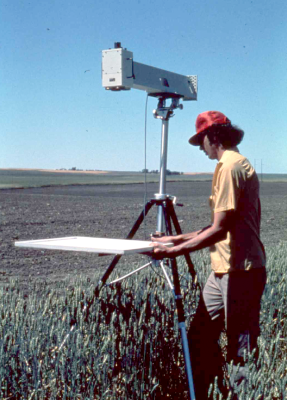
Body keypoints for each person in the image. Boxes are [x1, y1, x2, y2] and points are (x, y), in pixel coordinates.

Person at [151, 111, 266, 398]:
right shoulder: (228, 165)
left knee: (240, 353)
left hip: (241, 272)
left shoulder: (230, 167)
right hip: (223, 271)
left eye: (200, 140)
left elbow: (218, 231)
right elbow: (219, 225)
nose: (201, 148)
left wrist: (174, 252)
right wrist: (174, 239)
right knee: (199, 337)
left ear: (212, 137)